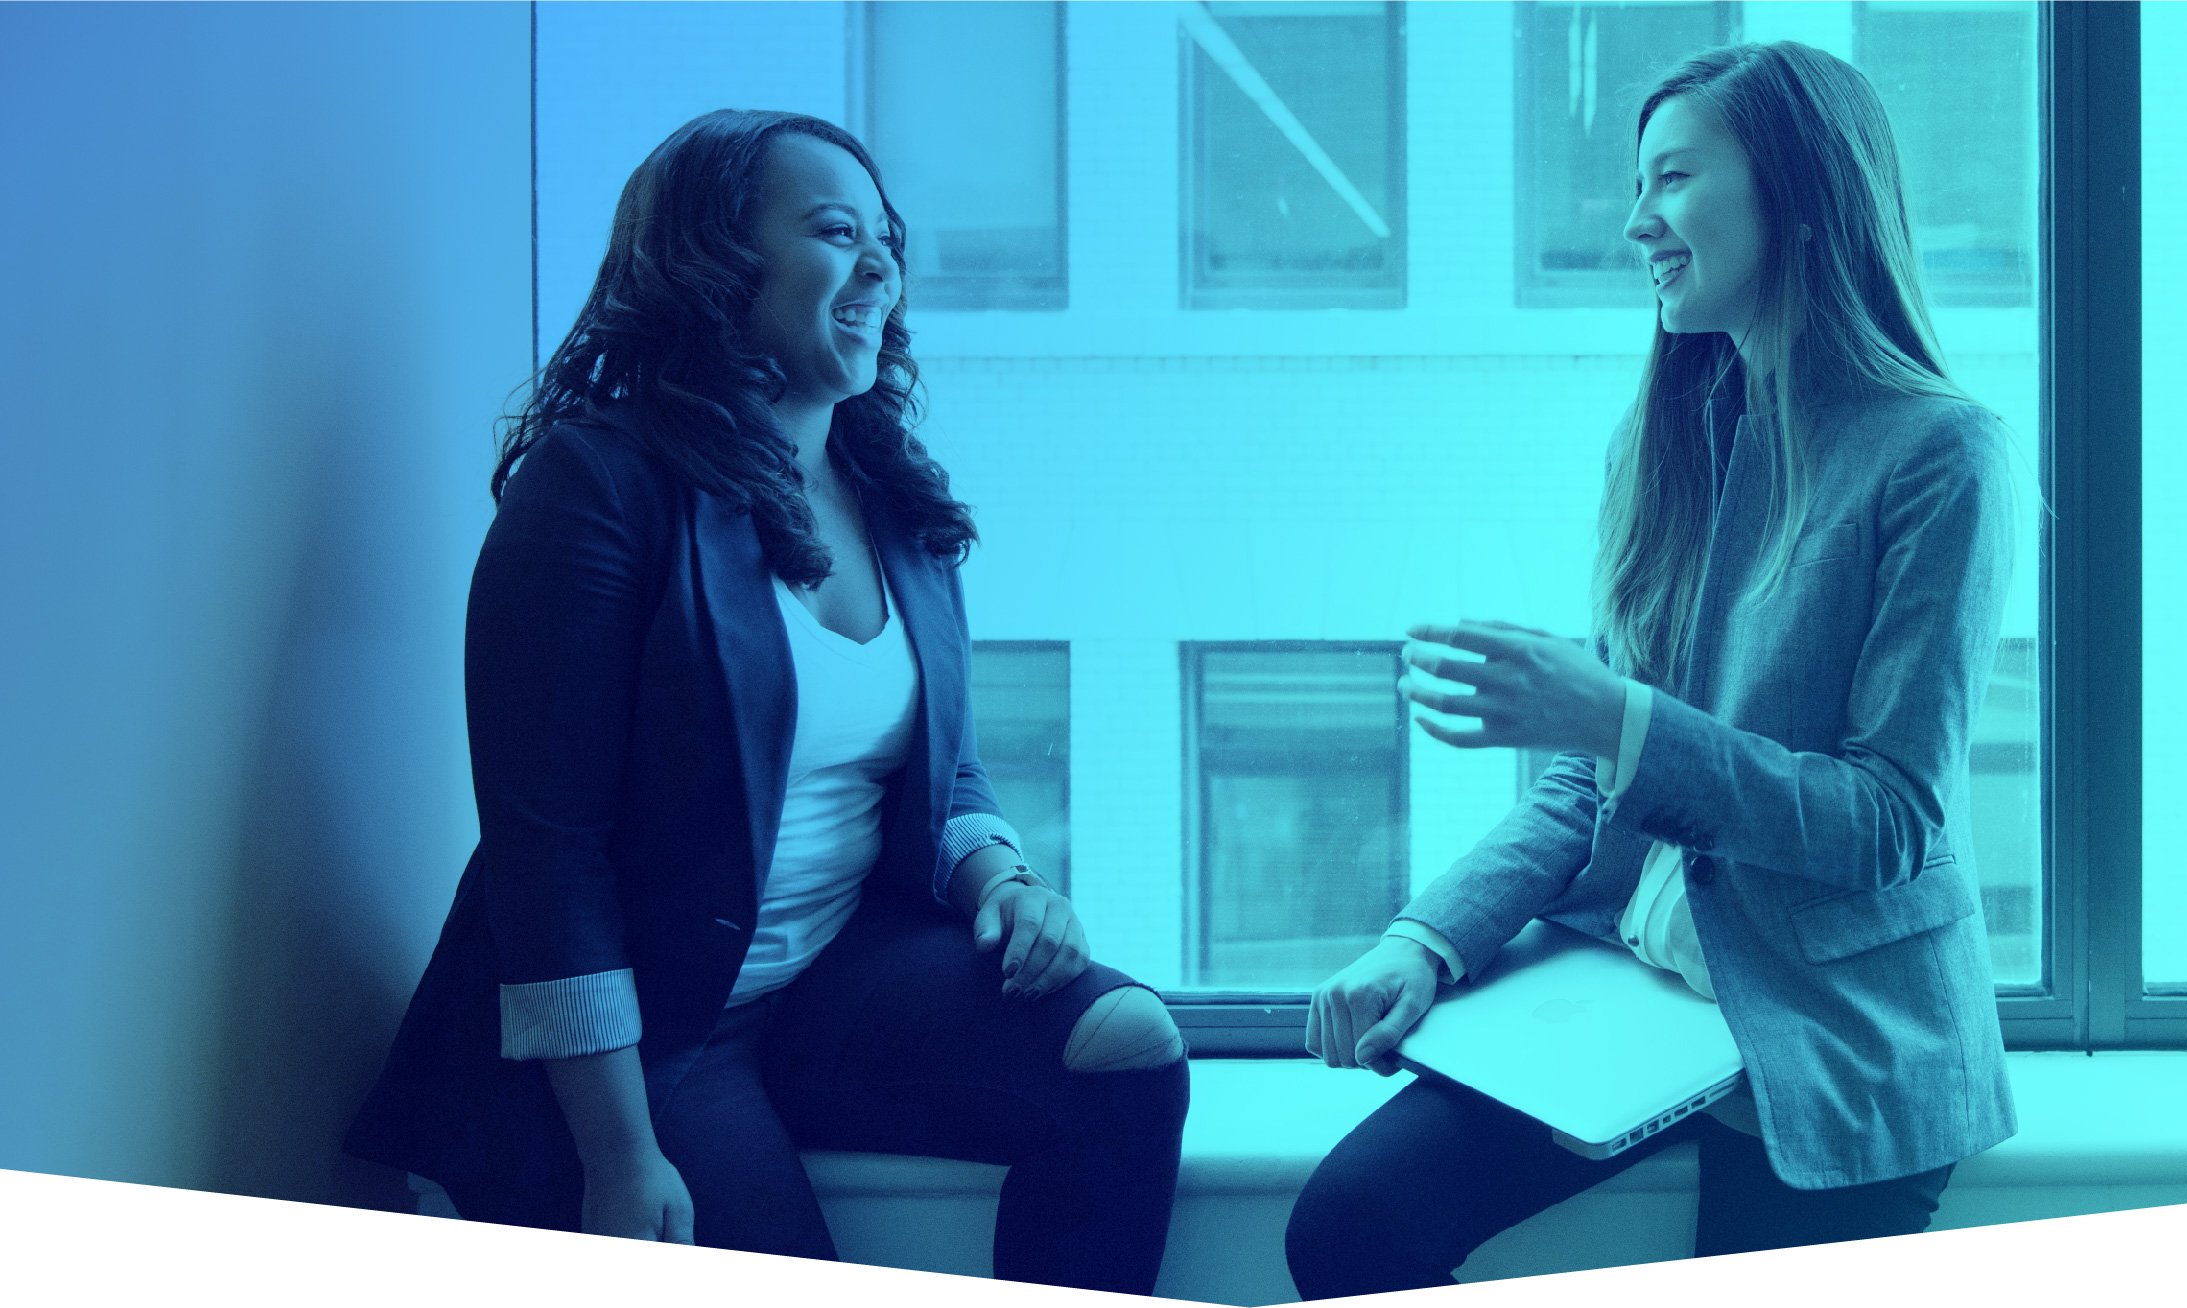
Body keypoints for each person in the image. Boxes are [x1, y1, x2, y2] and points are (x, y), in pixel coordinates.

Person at [345, 110, 1188, 1293]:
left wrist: (1005, 878)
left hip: (828, 980)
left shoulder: (890, 495)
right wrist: (618, 1154)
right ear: (714, 262)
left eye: (886, 237)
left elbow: (934, 767)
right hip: (647, 1043)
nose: (882, 264)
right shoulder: (595, 485)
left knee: (1129, 1048)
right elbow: (549, 854)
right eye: (838, 232)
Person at [1287, 41, 2021, 1294]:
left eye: (1671, 179)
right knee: (1348, 1224)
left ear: (1797, 190)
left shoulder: (1941, 455)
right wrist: (1426, 939)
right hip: (1634, 993)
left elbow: (1888, 820)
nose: (1637, 222)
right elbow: (1584, 787)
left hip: (1830, 1025)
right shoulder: (1675, 432)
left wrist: (1621, 718)